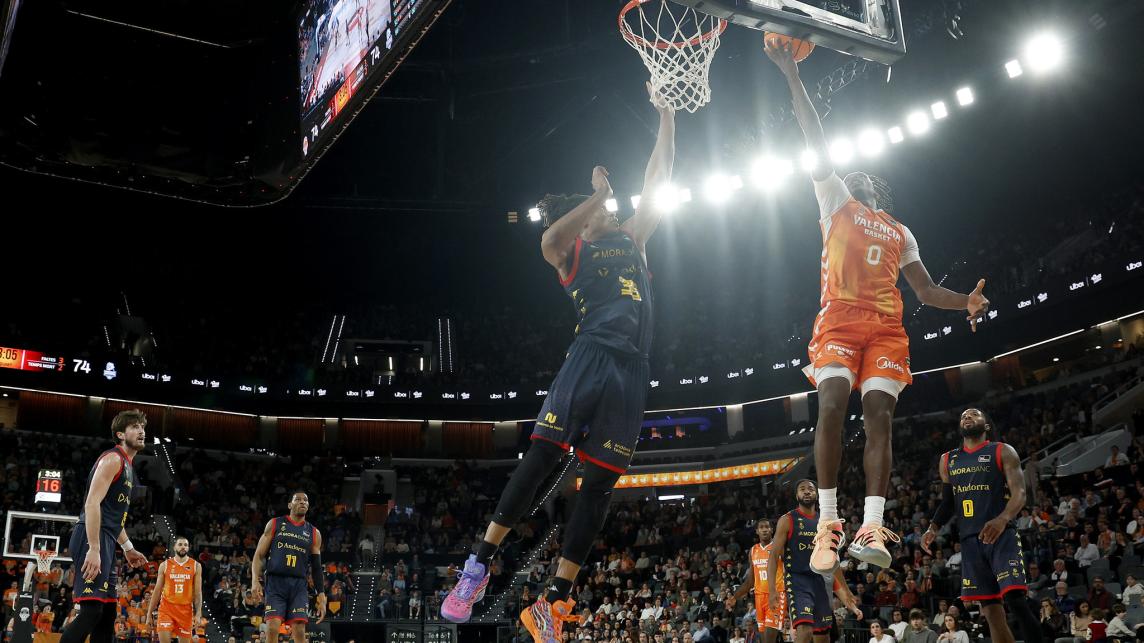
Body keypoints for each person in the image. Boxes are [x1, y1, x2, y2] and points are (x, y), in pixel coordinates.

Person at [441, 80, 676, 643]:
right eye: (601, 211)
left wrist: (667, 118)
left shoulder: (634, 239)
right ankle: (478, 566)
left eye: (609, 207)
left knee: (599, 486)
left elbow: (658, 180)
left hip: (632, 371)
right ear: (585, 221)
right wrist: (596, 196)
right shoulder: (571, 251)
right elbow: (549, 238)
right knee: (544, 455)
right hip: (590, 355)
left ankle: (554, 602)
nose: (612, 211)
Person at [763, 38, 990, 575]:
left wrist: (966, 301)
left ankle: (871, 524)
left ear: (878, 192)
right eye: (851, 173)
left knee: (880, 417)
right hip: (839, 320)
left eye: (864, 175)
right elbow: (812, 133)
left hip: (887, 329)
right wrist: (791, 74)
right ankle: (827, 522)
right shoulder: (834, 200)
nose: (856, 174)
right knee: (832, 406)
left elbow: (926, 291)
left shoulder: (900, 231)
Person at [922, 408, 1043, 643]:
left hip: (1001, 536)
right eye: (963, 416)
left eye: (974, 414)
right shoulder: (948, 459)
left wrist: (1002, 519)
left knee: (1016, 601)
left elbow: (1020, 494)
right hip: (970, 542)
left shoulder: (1002, 450)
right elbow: (948, 502)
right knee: (992, 613)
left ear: (986, 425)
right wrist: (933, 528)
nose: (967, 417)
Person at [59, 410, 149, 643]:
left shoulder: (128, 466)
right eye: (134, 427)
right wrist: (94, 548)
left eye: (142, 427)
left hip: (106, 538)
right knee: (91, 612)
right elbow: (92, 503)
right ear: (120, 434)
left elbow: (113, 518)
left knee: (107, 615)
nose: (141, 431)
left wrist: (128, 548)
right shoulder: (113, 459)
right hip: (92, 537)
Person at [767, 480, 863, 643]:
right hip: (797, 580)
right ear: (796, 495)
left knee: (823, 636)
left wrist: (846, 590)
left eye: (810, 489)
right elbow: (773, 556)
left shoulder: (825, 522)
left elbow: (833, 560)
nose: (806, 492)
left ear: (817, 494)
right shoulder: (787, 520)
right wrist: (772, 590)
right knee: (805, 631)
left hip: (820, 581)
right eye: (802, 489)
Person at [251, 491, 327, 643]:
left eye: (305, 500)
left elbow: (317, 568)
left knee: (299, 629)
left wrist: (321, 595)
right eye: (297, 499)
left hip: (299, 585)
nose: (302, 502)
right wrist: (254, 580)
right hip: (276, 582)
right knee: (272, 627)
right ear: (290, 505)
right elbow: (259, 555)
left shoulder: (314, 533)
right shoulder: (275, 524)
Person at [727, 519, 785, 643]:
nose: (764, 530)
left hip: (776, 596)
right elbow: (750, 582)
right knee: (763, 639)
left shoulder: (779, 547)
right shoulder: (753, 550)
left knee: (769, 639)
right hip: (759, 599)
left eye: (767, 527)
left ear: (772, 530)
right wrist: (734, 597)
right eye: (761, 527)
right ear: (757, 531)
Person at [144, 536, 203, 643]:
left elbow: (198, 593)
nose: (183, 547)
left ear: (188, 548)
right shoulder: (165, 565)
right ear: (174, 547)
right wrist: (149, 614)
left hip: (186, 611)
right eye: (180, 544)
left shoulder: (196, 566)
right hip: (166, 609)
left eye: (185, 545)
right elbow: (157, 591)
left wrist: (198, 613)